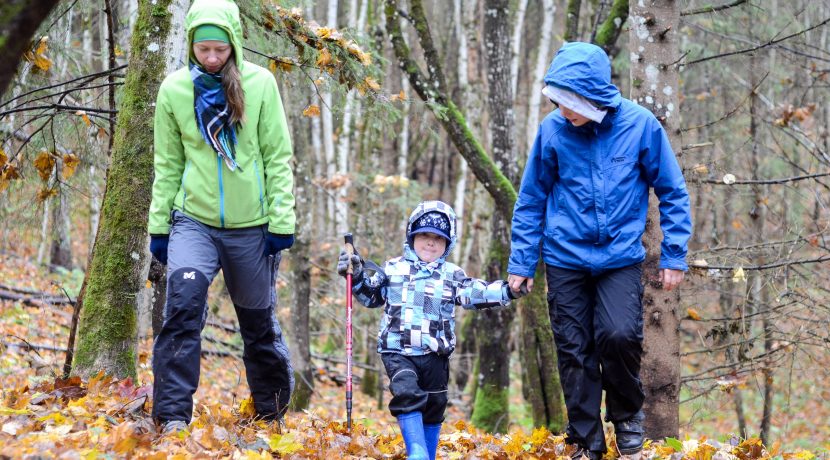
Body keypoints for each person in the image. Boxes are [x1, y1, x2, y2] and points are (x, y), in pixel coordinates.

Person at [507, 42, 692, 459]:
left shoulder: (640, 126)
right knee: (574, 349)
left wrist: (674, 254)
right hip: (564, 257)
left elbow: (673, 192)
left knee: (619, 335)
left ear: (592, 96)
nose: (563, 110)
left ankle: (627, 417)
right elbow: (531, 198)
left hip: (619, 257)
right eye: (557, 101)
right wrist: (522, 261)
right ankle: (585, 439)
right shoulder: (552, 131)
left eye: (569, 102)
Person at [147, 0, 296, 434]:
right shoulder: (174, 90)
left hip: (252, 228)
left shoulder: (261, 85)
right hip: (194, 221)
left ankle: (270, 415)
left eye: (220, 50)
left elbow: (277, 157)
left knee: (258, 324)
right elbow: (168, 163)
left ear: (234, 44)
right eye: (203, 50)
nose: (212, 58)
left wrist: (281, 221)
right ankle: (173, 416)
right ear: (191, 45)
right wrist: (160, 225)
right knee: (182, 311)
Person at [337, 201, 524, 460]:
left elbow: (475, 293)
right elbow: (371, 296)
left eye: (439, 238)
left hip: (435, 354)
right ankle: (417, 452)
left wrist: (507, 291)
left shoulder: (452, 275)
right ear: (412, 235)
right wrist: (356, 275)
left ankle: (428, 454)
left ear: (449, 243)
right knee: (406, 393)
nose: (430, 243)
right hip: (397, 350)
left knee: (434, 406)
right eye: (424, 235)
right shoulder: (393, 269)